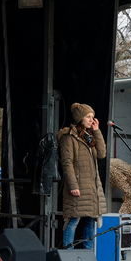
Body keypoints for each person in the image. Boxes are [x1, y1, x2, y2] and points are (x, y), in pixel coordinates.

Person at [58, 103, 107, 249]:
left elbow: (102, 154)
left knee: (90, 221)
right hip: (78, 186)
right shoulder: (69, 137)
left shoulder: (88, 137)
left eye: (93, 116)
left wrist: (97, 131)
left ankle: (87, 255)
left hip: (91, 188)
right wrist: (73, 186)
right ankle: (67, 254)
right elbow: (67, 163)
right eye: (88, 116)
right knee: (73, 220)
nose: (91, 119)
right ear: (80, 118)